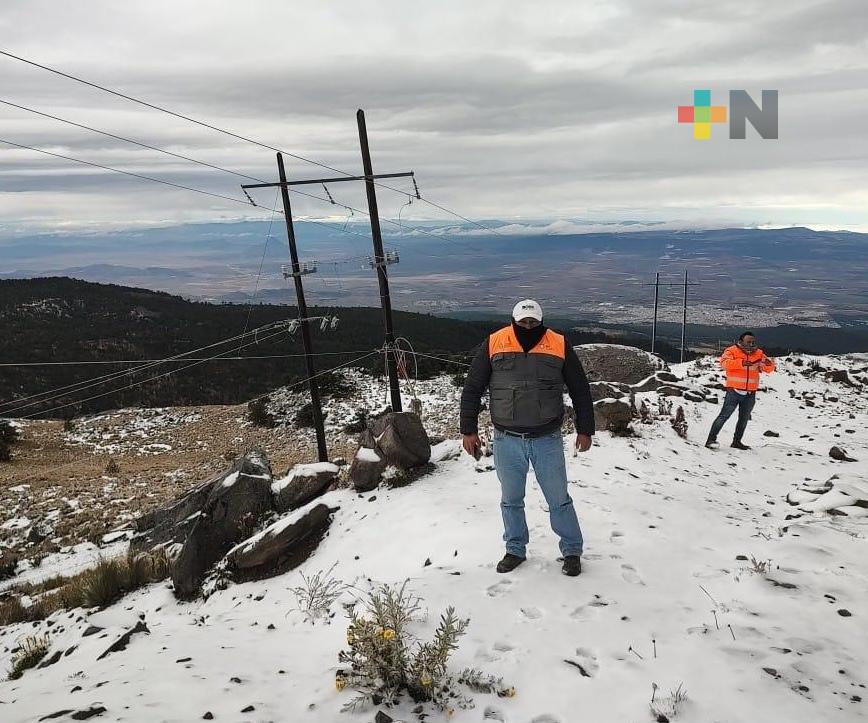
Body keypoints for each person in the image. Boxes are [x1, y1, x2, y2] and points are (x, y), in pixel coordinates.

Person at [460, 299, 595, 577]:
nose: (528, 326)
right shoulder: (495, 342)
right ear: (514, 321)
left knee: (558, 499)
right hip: (506, 439)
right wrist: (468, 430)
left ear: (541, 322)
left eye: (533, 322)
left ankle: (571, 550)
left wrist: (585, 429)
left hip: (546, 438)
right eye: (523, 322)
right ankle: (515, 549)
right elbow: (473, 387)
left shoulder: (558, 343)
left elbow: (580, 388)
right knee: (510, 499)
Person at [705, 331, 776, 450]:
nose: (751, 344)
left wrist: (770, 364)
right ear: (741, 341)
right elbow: (724, 363)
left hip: (750, 393)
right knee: (724, 416)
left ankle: (737, 442)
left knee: (743, 419)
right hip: (734, 391)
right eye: (748, 341)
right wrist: (741, 363)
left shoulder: (759, 353)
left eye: (753, 342)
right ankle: (710, 440)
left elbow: (768, 369)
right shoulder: (732, 351)